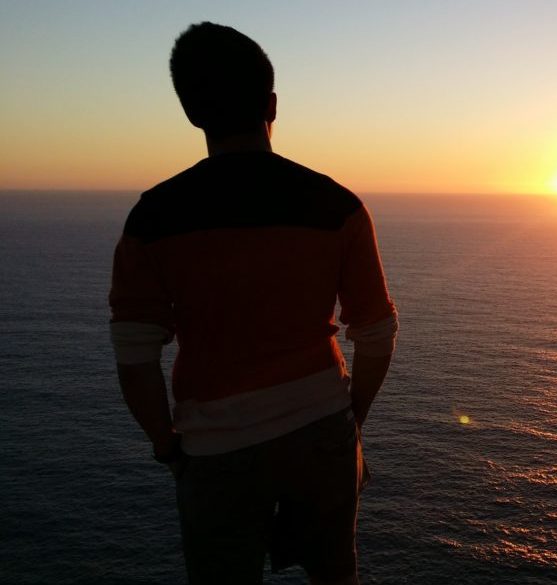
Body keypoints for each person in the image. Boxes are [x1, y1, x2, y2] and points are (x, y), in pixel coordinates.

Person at [109, 22, 397, 585]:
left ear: (192, 113)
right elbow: (377, 333)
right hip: (322, 428)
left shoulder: (153, 218)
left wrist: (167, 445)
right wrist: (350, 419)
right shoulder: (336, 206)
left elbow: (135, 357)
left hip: (216, 449)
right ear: (272, 104)